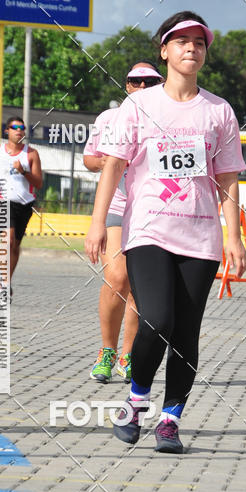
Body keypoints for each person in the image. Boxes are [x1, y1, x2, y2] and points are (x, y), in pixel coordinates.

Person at [85, 11, 246, 454]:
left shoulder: (219, 111)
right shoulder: (139, 106)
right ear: (165, 50)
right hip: (148, 232)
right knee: (156, 319)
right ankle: (136, 400)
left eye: (199, 42)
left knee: (186, 332)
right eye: (181, 41)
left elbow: (228, 179)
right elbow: (113, 165)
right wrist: (99, 222)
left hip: (201, 238)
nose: (191, 48)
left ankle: (170, 419)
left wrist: (234, 238)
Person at [83, 62, 164, 383]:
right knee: (117, 278)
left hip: (151, 210)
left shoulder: (167, 117)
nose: (142, 86)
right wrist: (109, 160)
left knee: (138, 288)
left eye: (150, 81)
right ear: (127, 86)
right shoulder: (108, 118)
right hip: (117, 205)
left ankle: (127, 355)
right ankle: (106, 351)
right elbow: (90, 159)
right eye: (136, 81)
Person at [0, 116, 43, 298]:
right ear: (7, 131)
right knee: (8, 239)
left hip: (25, 203)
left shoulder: (31, 154)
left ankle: (6, 281)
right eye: (15, 127)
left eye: (22, 128)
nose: (19, 130)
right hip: (3, 200)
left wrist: (23, 171)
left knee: (15, 245)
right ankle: (1, 282)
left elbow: (38, 182)